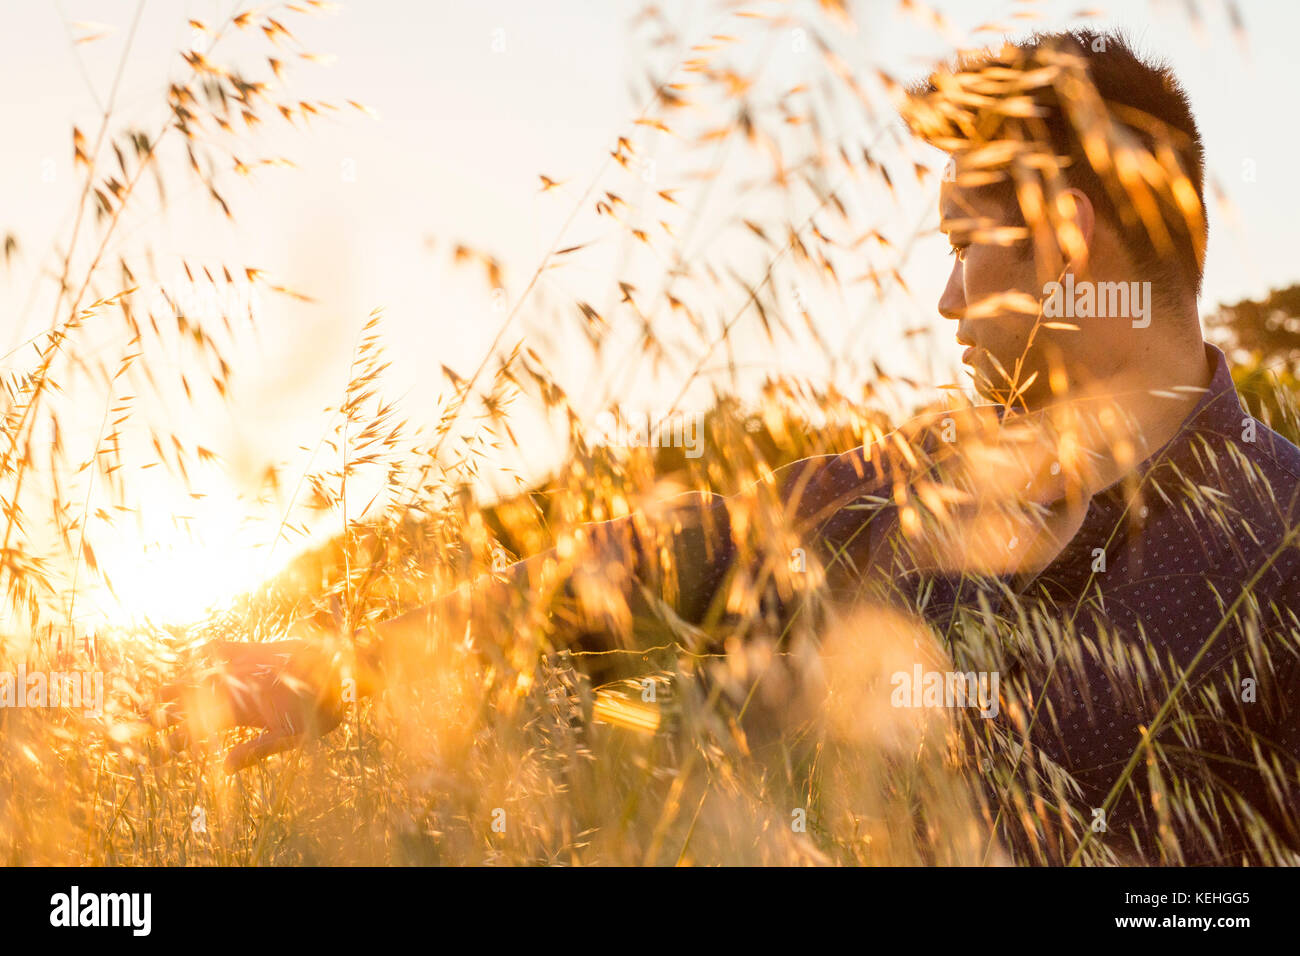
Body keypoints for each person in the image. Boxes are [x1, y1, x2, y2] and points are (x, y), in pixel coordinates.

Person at [161, 30, 1300, 864]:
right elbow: (637, 563)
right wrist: (353, 664)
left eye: (964, 242)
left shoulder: (1282, 548)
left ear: (1062, 240)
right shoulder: (901, 491)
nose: (946, 296)